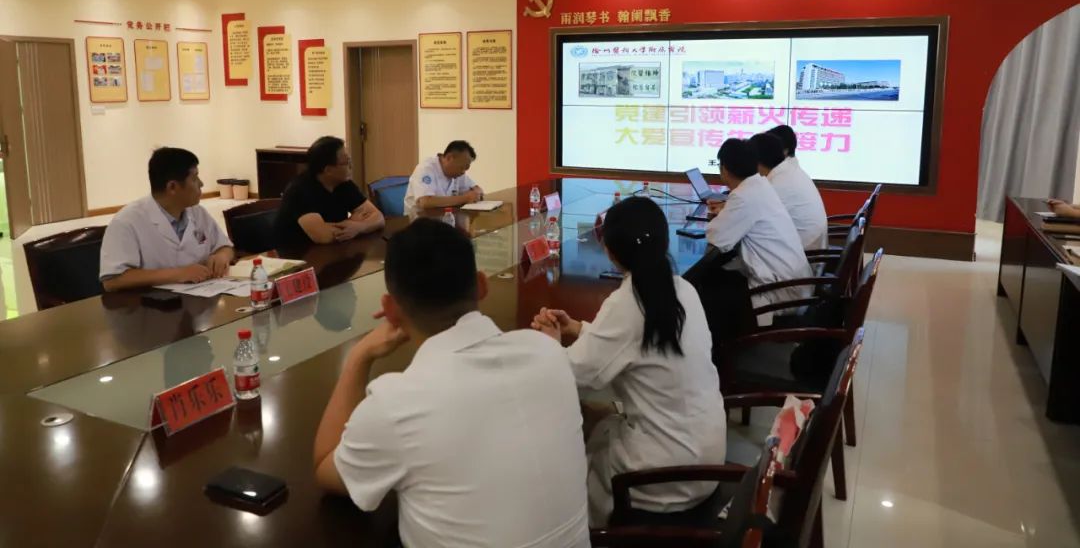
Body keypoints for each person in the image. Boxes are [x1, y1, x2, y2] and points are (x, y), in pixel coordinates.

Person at [313, 219, 589, 548]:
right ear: (482, 285)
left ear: (390, 309)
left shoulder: (395, 404)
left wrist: (359, 356)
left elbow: (325, 468)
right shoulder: (551, 354)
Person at [531, 197, 726, 527]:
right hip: (706, 457)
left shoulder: (627, 302)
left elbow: (571, 376)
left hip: (663, 476)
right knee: (600, 417)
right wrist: (578, 328)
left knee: (577, 435)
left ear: (609, 251)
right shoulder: (682, 289)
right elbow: (636, 341)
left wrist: (550, 342)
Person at [690, 139, 813, 336]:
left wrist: (722, 217)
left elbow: (717, 238)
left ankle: (718, 346)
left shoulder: (744, 196)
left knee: (705, 289)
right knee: (714, 276)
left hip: (781, 290)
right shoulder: (759, 185)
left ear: (724, 169)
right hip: (793, 280)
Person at [99, 147, 234, 292]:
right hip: (150, 303)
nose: (201, 184)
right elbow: (112, 280)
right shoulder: (127, 222)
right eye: (195, 178)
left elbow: (225, 247)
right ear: (172, 187)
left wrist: (222, 256)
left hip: (201, 296)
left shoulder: (197, 212)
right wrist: (178, 274)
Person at [274, 136, 384, 248]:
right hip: (295, 253)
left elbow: (379, 217)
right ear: (328, 170)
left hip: (332, 250)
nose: (351, 166)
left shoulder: (344, 184)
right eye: (346, 162)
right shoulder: (300, 190)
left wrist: (359, 227)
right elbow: (324, 236)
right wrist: (353, 222)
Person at [748, 132, 828, 250]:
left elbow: (749, 220)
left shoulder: (777, 183)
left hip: (804, 252)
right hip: (811, 244)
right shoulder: (788, 171)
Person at [403, 140, 484, 216]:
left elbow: (476, 189)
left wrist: (477, 193)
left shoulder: (458, 173)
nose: (463, 172)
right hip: (419, 220)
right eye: (462, 167)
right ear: (449, 158)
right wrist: (465, 198)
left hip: (444, 218)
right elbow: (425, 202)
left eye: (466, 168)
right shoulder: (426, 168)